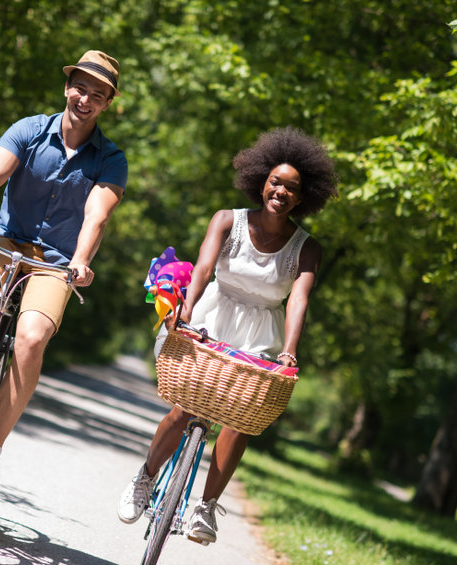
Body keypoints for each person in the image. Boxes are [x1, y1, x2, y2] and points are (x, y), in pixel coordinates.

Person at [117, 126, 337, 544]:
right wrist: (184, 310)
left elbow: (298, 300)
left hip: (261, 333)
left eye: (292, 188)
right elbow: (202, 269)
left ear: (302, 197)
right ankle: (144, 478)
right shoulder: (227, 220)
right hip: (210, 316)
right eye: (275, 182)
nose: (281, 192)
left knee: (240, 420)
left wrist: (290, 351)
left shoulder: (307, 247)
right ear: (261, 181)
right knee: (183, 409)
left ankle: (205, 507)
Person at [0, 50, 127, 492]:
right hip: (8, 238)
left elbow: (97, 216)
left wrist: (81, 260)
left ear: (108, 103)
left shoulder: (110, 159)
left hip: (57, 261)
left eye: (97, 95)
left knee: (31, 339)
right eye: (80, 88)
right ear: (67, 87)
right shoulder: (29, 129)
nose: (85, 99)